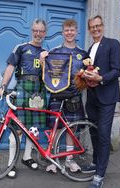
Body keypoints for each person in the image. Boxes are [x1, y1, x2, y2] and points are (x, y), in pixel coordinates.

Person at [0, 18, 47, 178]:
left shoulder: (46, 53)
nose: (38, 33)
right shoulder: (21, 48)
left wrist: (46, 63)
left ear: (45, 33)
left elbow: (50, 76)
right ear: (32, 31)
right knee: (17, 130)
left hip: (38, 92)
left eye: (41, 31)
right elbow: (10, 67)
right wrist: (3, 86)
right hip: (22, 90)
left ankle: (27, 157)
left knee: (33, 129)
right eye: (35, 30)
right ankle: (11, 163)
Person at [40, 19, 89, 173]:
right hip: (57, 95)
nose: (69, 33)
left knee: (70, 130)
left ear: (77, 32)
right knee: (55, 129)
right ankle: (53, 159)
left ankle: (69, 159)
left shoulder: (83, 54)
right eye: (66, 30)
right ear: (62, 32)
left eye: (72, 30)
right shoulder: (54, 52)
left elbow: (88, 76)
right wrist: (42, 60)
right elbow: (46, 72)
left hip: (74, 96)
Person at [82, 15, 120, 188]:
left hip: (107, 97)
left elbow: (117, 70)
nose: (95, 29)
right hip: (91, 97)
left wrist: (101, 78)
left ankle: (100, 174)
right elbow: (88, 69)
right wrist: (84, 75)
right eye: (92, 27)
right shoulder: (90, 48)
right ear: (89, 29)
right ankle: (96, 162)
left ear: (103, 26)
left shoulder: (113, 44)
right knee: (94, 133)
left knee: (104, 135)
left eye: (98, 26)